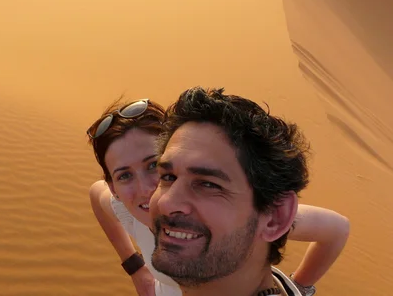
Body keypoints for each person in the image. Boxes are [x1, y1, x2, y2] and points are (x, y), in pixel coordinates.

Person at [88, 94, 350, 296]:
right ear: (115, 188)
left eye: (157, 167)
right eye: (124, 175)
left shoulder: (245, 220)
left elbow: (337, 229)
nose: (147, 189)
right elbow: (96, 194)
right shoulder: (129, 208)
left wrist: (299, 287)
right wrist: (135, 269)